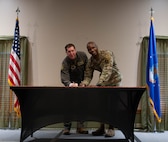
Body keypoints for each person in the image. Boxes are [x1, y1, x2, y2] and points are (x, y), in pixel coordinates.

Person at [80, 41, 122, 137]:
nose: (92, 50)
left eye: (93, 47)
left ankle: (111, 128)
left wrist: (98, 85)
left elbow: (107, 71)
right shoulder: (91, 61)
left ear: (97, 47)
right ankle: (102, 128)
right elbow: (88, 75)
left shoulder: (107, 54)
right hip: (103, 82)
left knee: (112, 104)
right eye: (89, 49)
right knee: (102, 104)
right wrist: (84, 84)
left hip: (114, 80)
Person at [60, 43, 88, 135]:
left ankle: (80, 127)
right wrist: (70, 84)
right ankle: (67, 127)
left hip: (82, 86)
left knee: (82, 106)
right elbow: (64, 77)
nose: (71, 53)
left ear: (75, 50)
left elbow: (88, 70)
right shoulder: (65, 62)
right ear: (66, 53)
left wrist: (85, 83)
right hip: (70, 87)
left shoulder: (83, 56)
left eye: (72, 51)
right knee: (68, 106)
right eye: (69, 51)